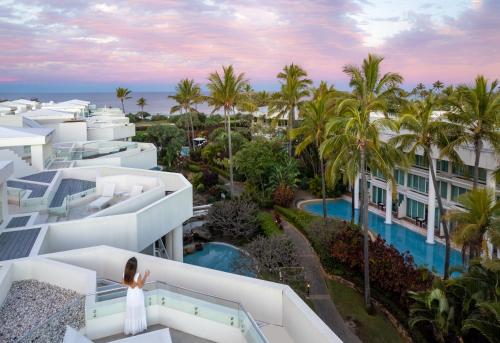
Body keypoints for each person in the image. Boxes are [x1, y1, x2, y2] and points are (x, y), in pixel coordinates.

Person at [122, 257, 150, 335]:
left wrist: (131, 284)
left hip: (130, 294)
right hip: (137, 295)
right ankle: (138, 328)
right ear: (135, 266)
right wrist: (145, 276)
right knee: (138, 310)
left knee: (131, 311)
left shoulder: (125, 274)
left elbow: (123, 283)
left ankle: (132, 328)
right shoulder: (138, 275)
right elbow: (140, 286)